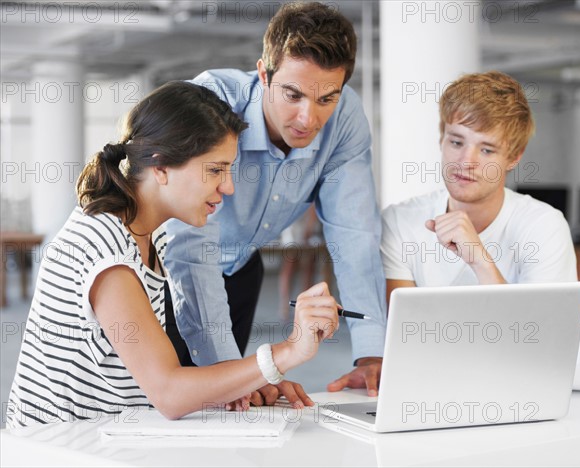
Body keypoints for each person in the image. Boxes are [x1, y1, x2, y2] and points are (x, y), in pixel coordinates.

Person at [6, 81, 339, 429]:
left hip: (107, 438)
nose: (228, 186)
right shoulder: (104, 249)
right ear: (161, 167)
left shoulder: (151, 237)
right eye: (215, 170)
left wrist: (247, 380)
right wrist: (287, 352)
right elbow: (168, 392)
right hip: (58, 451)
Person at [164, 2, 386, 399]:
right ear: (264, 73)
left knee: (224, 410)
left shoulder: (346, 117)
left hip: (241, 266)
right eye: (293, 94)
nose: (307, 119)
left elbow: (355, 232)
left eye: (326, 99)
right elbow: (189, 246)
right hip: (167, 269)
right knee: (166, 400)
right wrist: (233, 373)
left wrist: (371, 353)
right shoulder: (212, 101)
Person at [381, 70, 577, 300]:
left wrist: (480, 261)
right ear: (441, 140)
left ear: (514, 157)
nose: (466, 161)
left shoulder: (544, 227)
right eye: (456, 142)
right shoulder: (399, 222)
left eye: (486, 150)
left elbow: (543, 332)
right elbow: (405, 330)